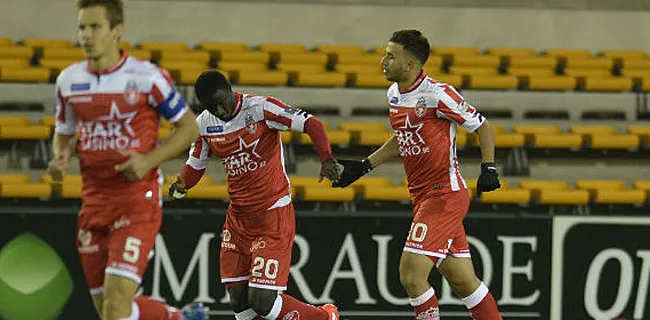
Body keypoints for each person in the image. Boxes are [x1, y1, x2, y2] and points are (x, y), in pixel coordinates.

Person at [47, 0, 203, 319]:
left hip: (136, 200)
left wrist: (148, 160)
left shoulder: (148, 78)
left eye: (94, 27)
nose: (86, 36)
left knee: (116, 306)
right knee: (108, 311)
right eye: (81, 27)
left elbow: (189, 126)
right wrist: (58, 158)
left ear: (116, 31)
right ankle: (178, 317)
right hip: (93, 203)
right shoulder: (68, 81)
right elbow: (63, 132)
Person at [332, 30, 503, 320]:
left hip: (444, 194)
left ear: (410, 65)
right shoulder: (394, 94)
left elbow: (482, 126)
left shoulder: (438, 94)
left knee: (411, 275)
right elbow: (402, 137)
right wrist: (364, 166)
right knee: (464, 282)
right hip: (422, 196)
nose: (382, 61)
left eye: (390, 56)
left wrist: (488, 166)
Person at [168, 70, 341, 320]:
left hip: (272, 214)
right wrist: (181, 184)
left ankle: (325, 317)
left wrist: (326, 159)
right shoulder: (204, 124)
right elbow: (196, 163)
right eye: (211, 107)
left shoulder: (261, 108)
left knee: (263, 301)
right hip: (238, 219)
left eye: (221, 102)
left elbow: (312, 124)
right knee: (239, 301)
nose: (219, 110)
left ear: (229, 89)